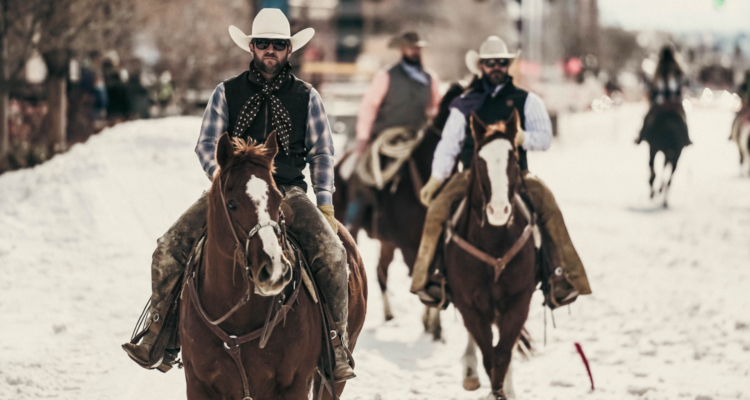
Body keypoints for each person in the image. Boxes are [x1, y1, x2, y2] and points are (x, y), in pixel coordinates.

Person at [122, 8, 356, 382]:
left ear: (288, 50)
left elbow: (322, 152)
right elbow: (205, 145)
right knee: (169, 247)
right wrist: (225, 185)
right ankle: (159, 335)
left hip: (287, 191)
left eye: (278, 45)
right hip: (229, 190)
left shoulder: (307, 96)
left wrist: (325, 202)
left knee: (332, 253)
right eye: (263, 43)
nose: (270, 51)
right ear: (251, 46)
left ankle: (336, 344)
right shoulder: (226, 92)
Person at [409, 36, 592, 308]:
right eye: (490, 63)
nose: (495, 67)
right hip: (470, 173)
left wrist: (522, 138)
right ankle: (431, 278)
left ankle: (561, 276)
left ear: (507, 66)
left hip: (518, 174)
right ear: (480, 66)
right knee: (437, 211)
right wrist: (437, 179)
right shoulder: (464, 102)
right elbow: (449, 145)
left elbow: (544, 138)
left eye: (501, 63)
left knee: (549, 207)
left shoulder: (527, 100)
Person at [343, 31, 441, 229]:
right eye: (410, 48)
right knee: (363, 178)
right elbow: (369, 107)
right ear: (402, 50)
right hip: (385, 138)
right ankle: (353, 222)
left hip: (415, 138)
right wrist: (363, 139)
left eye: (417, 48)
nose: (414, 51)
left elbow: (434, 108)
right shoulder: (386, 75)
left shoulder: (430, 78)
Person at [637, 46, 690, 145]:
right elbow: (681, 85)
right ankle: (686, 138)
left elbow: (655, 87)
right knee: (683, 117)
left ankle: (641, 136)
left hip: (660, 101)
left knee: (648, 117)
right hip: (674, 102)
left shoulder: (658, 69)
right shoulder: (677, 70)